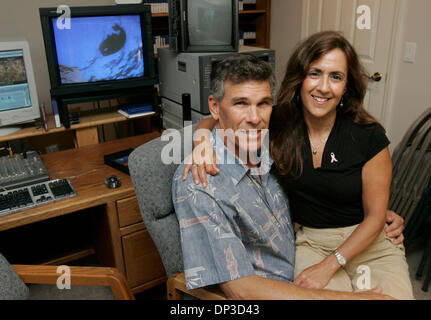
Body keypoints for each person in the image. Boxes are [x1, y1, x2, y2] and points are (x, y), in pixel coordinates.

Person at [183, 31, 413, 300]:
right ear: (300, 78)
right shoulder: (276, 122)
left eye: (336, 76)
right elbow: (223, 114)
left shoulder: (368, 135)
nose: (324, 87)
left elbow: (376, 217)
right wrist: (201, 140)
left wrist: (332, 263)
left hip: (368, 242)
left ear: (347, 85)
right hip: (311, 243)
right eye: (315, 73)